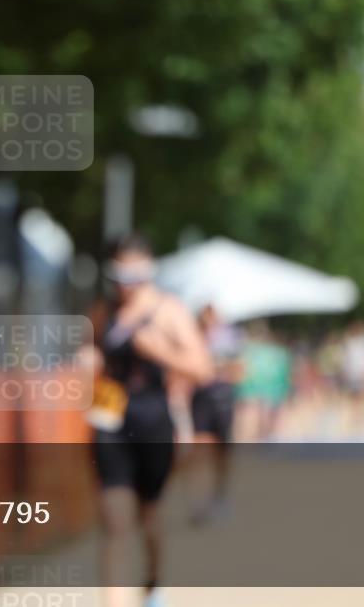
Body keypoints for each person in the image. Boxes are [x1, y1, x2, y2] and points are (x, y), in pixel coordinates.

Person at [83, 235, 213, 605]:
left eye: (136, 274)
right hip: (110, 419)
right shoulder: (102, 311)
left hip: (155, 419)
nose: (128, 284)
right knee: (115, 519)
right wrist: (87, 363)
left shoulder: (168, 311)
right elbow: (91, 352)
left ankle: (153, 585)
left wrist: (159, 352)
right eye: (121, 274)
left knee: (149, 515)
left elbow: (202, 368)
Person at [188, 303, 242, 525]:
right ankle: (199, 501)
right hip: (200, 399)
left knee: (222, 454)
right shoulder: (192, 336)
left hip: (223, 399)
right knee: (200, 451)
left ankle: (219, 495)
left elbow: (240, 371)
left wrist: (219, 370)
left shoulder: (230, 337)